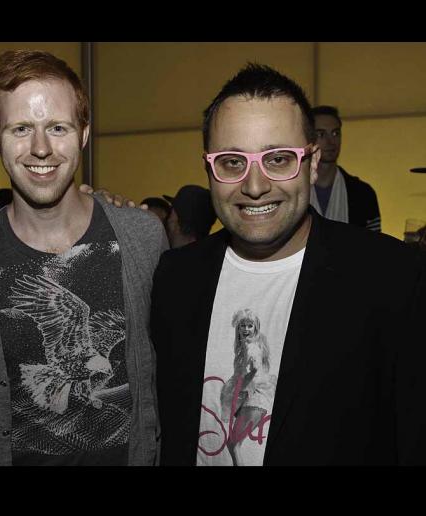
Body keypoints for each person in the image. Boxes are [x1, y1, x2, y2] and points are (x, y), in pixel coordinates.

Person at [151, 63, 426, 466]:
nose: (255, 185)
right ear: (209, 169)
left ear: (312, 163)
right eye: (232, 162)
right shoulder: (175, 278)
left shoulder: (391, 278)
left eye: (278, 159)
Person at [0, 50, 167, 466]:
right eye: (21, 129)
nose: (40, 148)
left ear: (83, 134)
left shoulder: (144, 238)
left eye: (58, 127)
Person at [311, 105, 381, 232]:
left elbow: (374, 243)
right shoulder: (295, 191)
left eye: (335, 133)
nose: (330, 141)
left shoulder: (363, 194)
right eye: (321, 134)